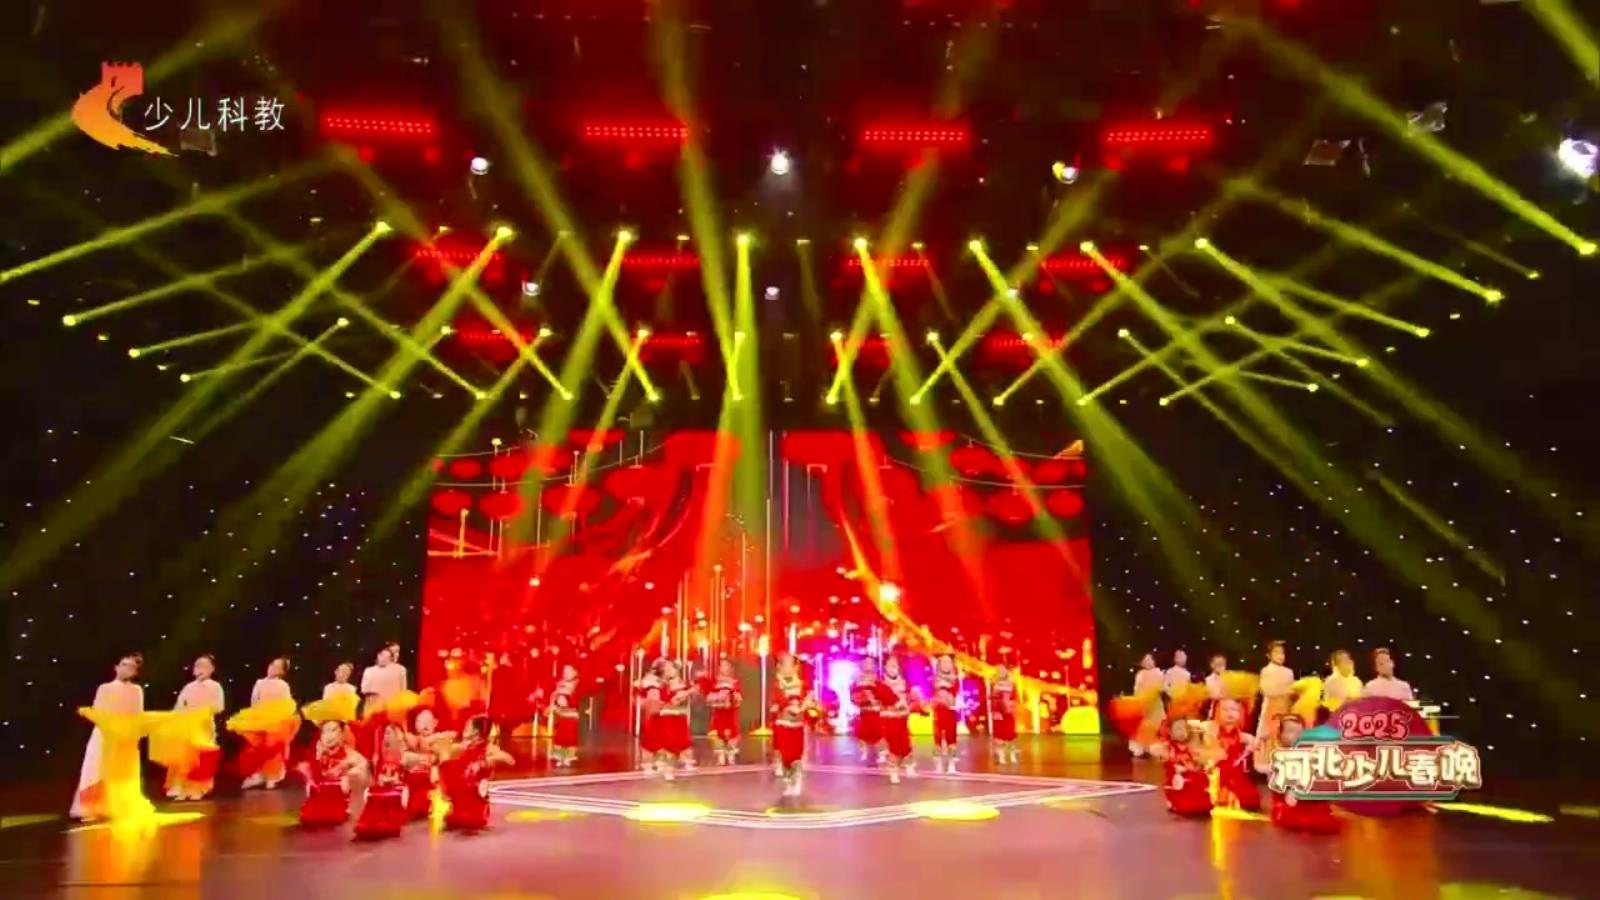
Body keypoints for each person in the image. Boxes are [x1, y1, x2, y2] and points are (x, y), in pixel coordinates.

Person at [71, 653, 148, 821]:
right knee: (97, 770)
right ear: (116, 667)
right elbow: (98, 711)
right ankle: (91, 807)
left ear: (135, 672)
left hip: (125, 737)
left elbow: (138, 714)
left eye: (131, 667)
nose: (127, 669)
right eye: (124, 664)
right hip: (104, 735)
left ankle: (116, 807)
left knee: (121, 772)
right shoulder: (105, 688)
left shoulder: (137, 690)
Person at [439, 715, 515, 832]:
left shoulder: (488, 748)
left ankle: (470, 814)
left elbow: (510, 760)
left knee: (470, 821)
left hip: (475, 792)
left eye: (468, 726)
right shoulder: (464, 746)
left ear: (476, 731)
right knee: (446, 764)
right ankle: (457, 809)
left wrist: (484, 762)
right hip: (461, 788)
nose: (464, 728)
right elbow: (442, 750)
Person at [165, 654, 225, 800]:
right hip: (187, 727)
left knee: (201, 757)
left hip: (204, 727)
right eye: (198, 665)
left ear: (212, 669)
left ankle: (198, 788)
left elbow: (219, 706)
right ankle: (181, 785)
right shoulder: (189, 687)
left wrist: (203, 711)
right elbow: (179, 706)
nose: (200, 668)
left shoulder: (215, 686)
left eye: (204, 665)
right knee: (184, 757)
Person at [1269, 715, 1341, 834]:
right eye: (1291, 731)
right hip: (1289, 802)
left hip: (1307, 800)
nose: (1296, 736)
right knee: (1290, 814)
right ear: (1280, 735)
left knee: (1323, 815)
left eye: (1300, 732)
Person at [234, 656, 297, 790]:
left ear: (282, 672)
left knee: (272, 747)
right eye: (272, 664)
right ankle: (257, 774)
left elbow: (286, 703)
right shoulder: (260, 683)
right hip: (260, 717)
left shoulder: (283, 685)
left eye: (277, 667)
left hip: (276, 719)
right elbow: (254, 701)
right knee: (257, 746)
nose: (273, 668)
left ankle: (272, 776)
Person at [297, 718, 366, 829]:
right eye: (325, 731)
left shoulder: (350, 756)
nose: (329, 736)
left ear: (342, 734)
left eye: (333, 730)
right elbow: (307, 770)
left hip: (341, 803)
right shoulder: (318, 756)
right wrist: (309, 776)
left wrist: (346, 770)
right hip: (319, 804)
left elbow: (362, 767)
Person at [353, 722, 408, 840]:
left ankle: (387, 824)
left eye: (388, 733)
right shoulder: (380, 758)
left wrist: (392, 780)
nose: (386, 737)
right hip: (382, 788)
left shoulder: (402, 757)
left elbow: (401, 776)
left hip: (395, 789)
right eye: (384, 734)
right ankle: (369, 824)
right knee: (374, 799)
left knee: (389, 800)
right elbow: (377, 776)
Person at [770, 653, 814, 797]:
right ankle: (788, 782)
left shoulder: (803, 685)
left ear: (796, 667)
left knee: (796, 755)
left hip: (797, 726)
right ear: (779, 667)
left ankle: (796, 781)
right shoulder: (777, 685)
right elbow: (776, 703)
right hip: (782, 725)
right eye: (784, 665)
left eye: (790, 665)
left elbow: (810, 702)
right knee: (785, 756)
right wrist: (780, 707)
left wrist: (805, 706)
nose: (787, 668)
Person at [402, 707, 454, 821]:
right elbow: (402, 758)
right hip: (413, 787)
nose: (425, 724)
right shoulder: (408, 740)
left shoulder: (443, 739)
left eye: (428, 720)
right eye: (420, 721)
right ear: (414, 724)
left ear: (435, 722)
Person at [1154, 717, 1212, 818]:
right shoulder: (1169, 747)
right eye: (1178, 729)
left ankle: (1201, 803)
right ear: (1171, 732)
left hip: (1189, 772)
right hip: (1177, 777)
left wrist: (1197, 766)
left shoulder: (1190, 747)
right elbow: (1168, 760)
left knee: (1201, 778)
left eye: (1183, 729)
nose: (1181, 732)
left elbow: (1197, 762)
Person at [874, 656, 918, 784]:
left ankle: (908, 766)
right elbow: (879, 701)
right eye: (890, 666)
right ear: (885, 667)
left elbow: (911, 698)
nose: (893, 669)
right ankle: (893, 772)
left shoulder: (905, 683)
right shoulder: (881, 684)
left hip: (903, 717)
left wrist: (912, 703)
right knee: (894, 745)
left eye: (895, 666)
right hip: (889, 718)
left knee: (905, 744)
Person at [1211, 698, 1260, 810]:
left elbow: (1256, 746)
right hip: (1218, 776)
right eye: (1225, 709)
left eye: (1233, 709)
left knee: (1250, 799)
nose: (1229, 713)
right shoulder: (1213, 734)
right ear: (1217, 713)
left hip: (1238, 777)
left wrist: (1253, 747)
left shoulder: (1245, 737)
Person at [1254, 641, 1294, 772]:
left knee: (1286, 735)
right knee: (1271, 737)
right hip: (1271, 709)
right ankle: (1270, 768)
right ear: (1269, 655)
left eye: (1282, 653)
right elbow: (1266, 690)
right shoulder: (1266, 671)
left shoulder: (1289, 672)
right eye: (1276, 653)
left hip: (1286, 709)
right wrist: (1285, 691)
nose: (1280, 656)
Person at [654, 660, 695, 779]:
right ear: (663, 672)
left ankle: (685, 760)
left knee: (683, 740)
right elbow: (668, 701)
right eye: (668, 669)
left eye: (672, 668)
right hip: (668, 716)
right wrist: (677, 697)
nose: (672, 670)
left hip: (680, 716)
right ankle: (667, 768)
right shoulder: (662, 685)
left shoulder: (681, 682)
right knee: (669, 742)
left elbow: (690, 692)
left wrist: (687, 692)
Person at [703, 659, 742, 766]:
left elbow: (738, 697)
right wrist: (717, 699)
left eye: (726, 665)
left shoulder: (734, 682)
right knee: (717, 734)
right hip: (718, 713)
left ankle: (731, 755)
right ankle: (720, 756)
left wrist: (732, 699)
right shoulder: (715, 682)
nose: (723, 668)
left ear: (730, 668)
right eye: (721, 665)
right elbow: (709, 697)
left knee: (732, 733)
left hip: (730, 713)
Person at [930, 654, 962, 773]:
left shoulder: (955, 679)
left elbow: (954, 690)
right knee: (938, 738)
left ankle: (952, 765)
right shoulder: (935, 678)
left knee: (951, 737)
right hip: (939, 711)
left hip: (950, 710)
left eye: (948, 662)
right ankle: (938, 765)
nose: (946, 665)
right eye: (943, 662)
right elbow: (935, 690)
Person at [850, 658, 884, 766]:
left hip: (877, 711)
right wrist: (862, 697)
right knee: (861, 734)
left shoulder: (879, 679)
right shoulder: (857, 680)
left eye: (871, 663)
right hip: (864, 711)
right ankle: (865, 752)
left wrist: (877, 700)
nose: (868, 665)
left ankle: (880, 753)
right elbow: (853, 694)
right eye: (866, 663)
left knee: (878, 734)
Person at [1130, 653, 1165, 757]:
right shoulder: (1140, 674)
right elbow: (1136, 689)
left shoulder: (1159, 673)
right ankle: (1141, 748)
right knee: (1142, 727)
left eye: (1149, 660)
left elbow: (1162, 688)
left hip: (1155, 705)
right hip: (1143, 705)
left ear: (1154, 661)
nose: (1147, 662)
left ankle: (1154, 748)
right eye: (1145, 660)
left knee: (1155, 726)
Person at [549, 665, 583, 768]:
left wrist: (562, 693)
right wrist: (554, 701)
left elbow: (573, 694)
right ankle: (559, 757)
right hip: (561, 715)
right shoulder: (560, 683)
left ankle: (568, 757)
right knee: (560, 737)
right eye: (564, 672)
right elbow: (553, 695)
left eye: (568, 671)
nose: (565, 674)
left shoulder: (577, 683)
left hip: (572, 715)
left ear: (575, 672)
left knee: (570, 737)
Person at [360, 646, 407, 716]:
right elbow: (364, 689)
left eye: (387, 657)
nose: (384, 659)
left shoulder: (396, 672)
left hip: (390, 709)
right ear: (378, 655)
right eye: (382, 655)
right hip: (373, 710)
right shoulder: (369, 670)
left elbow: (402, 691)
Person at [635, 661, 665, 773]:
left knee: (660, 737)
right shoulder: (650, 681)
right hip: (652, 712)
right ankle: (648, 762)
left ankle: (658, 761)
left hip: (661, 712)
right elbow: (646, 697)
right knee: (651, 736)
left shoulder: (662, 681)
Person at [989, 664, 1020, 764]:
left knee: (1011, 735)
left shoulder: (1012, 683)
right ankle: (1001, 756)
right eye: (999, 670)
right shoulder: (994, 683)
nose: (1001, 672)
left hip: (1009, 712)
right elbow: (992, 698)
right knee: (999, 735)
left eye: (1003, 670)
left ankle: (1012, 755)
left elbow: (1015, 697)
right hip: (998, 712)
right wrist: (995, 711)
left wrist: (1012, 707)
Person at [1322, 650, 1363, 715]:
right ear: (1337, 665)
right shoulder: (1331, 681)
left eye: (1348, 660)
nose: (1348, 663)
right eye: (1344, 661)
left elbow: (1362, 702)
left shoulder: (1357, 681)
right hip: (1337, 717)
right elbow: (1327, 704)